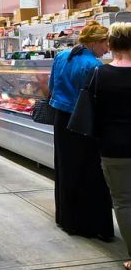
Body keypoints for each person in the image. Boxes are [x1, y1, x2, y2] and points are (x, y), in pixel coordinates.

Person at [48, 20, 113, 239]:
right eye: (106, 44)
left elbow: (52, 88)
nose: (108, 49)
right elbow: (97, 100)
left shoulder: (61, 56)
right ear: (95, 42)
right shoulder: (94, 66)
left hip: (61, 119)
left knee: (66, 168)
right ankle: (88, 225)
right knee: (90, 172)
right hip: (83, 122)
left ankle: (67, 219)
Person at [90, 22, 131, 270]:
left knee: (124, 201)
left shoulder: (100, 74)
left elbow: (93, 112)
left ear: (111, 45)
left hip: (114, 146)